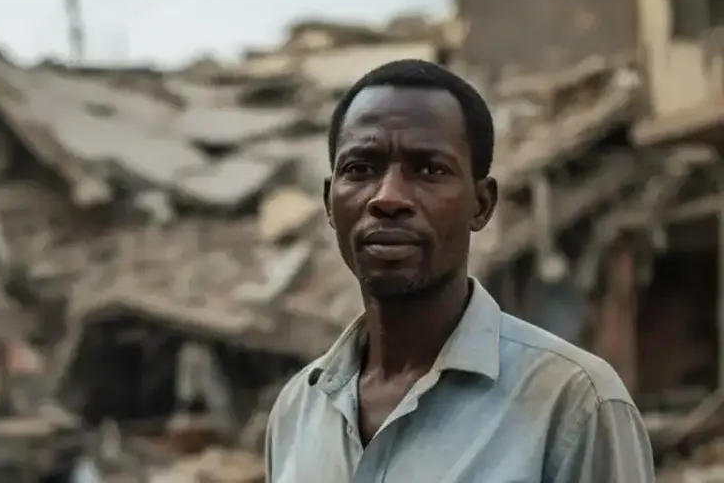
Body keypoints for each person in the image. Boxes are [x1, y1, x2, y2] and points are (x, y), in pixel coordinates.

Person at [265, 60, 654, 482]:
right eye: (360, 169)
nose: (388, 197)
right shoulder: (298, 408)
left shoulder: (574, 401)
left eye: (430, 169)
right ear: (328, 202)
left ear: (481, 204)